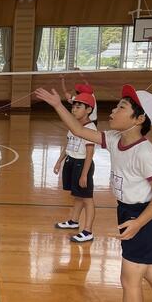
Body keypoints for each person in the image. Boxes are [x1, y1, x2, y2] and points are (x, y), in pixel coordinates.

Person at [34, 84, 152, 302]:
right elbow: (79, 130)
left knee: (130, 279)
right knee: (151, 272)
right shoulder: (116, 139)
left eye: (122, 107)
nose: (114, 110)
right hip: (130, 213)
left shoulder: (145, 153)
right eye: (117, 105)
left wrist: (138, 223)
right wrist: (58, 105)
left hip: (145, 218)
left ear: (139, 119)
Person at [53, 92, 97, 243]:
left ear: (88, 110)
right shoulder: (73, 125)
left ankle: (88, 231)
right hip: (71, 161)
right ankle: (74, 221)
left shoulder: (90, 128)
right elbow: (69, 145)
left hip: (82, 164)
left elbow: (90, 153)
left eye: (78, 107)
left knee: (87, 198)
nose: (74, 110)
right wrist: (59, 161)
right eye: (73, 107)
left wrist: (84, 174)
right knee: (78, 195)